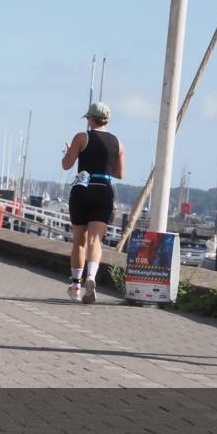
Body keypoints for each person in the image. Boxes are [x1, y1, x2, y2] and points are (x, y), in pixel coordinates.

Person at [61, 101, 125, 304]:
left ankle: (76, 285)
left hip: (83, 190)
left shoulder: (82, 137)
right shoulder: (118, 142)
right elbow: (119, 173)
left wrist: (69, 152)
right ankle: (91, 277)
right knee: (95, 240)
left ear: (90, 118)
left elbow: (66, 165)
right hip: (104, 189)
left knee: (79, 241)